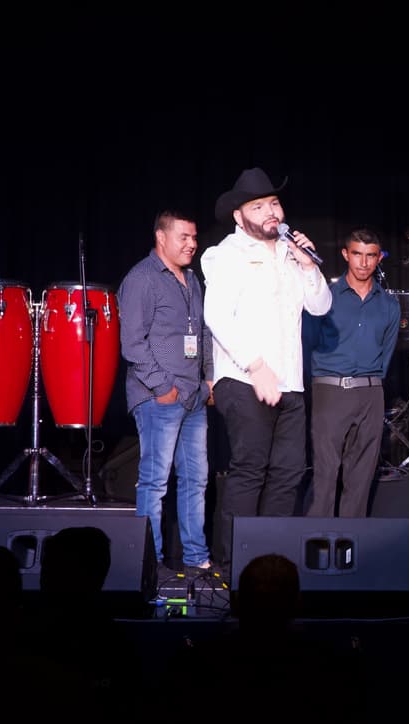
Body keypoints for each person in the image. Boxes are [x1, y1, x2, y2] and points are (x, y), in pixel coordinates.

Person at [202, 167, 332, 568]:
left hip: (289, 383)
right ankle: (232, 568)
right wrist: (256, 367)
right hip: (244, 379)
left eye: (274, 203)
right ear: (240, 217)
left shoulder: (291, 253)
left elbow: (321, 306)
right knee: (249, 471)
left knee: (289, 473)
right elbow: (217, 317)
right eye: (258, 206)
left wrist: (309, 266)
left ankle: (270, 563)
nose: (270, 211)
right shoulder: (224, 255)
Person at [118, 210, 214, 572]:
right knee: (156, 481)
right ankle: (150, 562)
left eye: (194, 237)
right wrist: (164, 387)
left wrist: (209, 378)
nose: (192, 244)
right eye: (184, 237)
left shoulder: (192, 279)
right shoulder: (142, 278)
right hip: (160, 396)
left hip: (193, 395)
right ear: (162, 237)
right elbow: (132, 344)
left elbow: (202, 333)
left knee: (196, 479)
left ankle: (196, 556)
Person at [304, 227, 400, 517]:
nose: (363, 262)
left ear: (379, 258)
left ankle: (351, 550)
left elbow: (387, 353)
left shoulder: (389, 305)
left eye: (371, 256)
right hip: (331, 390)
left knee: (360, 479)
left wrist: (371, 385)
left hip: (371, 392)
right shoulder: (325, 298)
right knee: (325, 475)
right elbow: (308, 343)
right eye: (357, 254)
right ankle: (316, 548)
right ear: (346, 255)